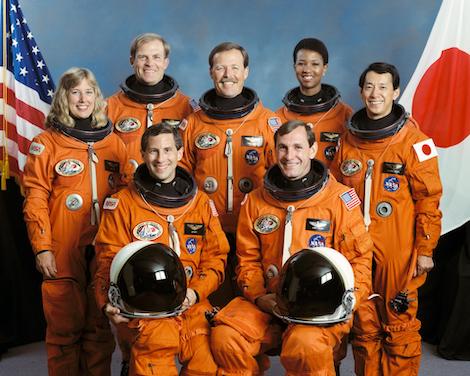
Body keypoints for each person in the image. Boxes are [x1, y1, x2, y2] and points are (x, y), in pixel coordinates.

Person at [209, 120, 373, 375]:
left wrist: (343, 304)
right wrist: (259, 297)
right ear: (274, 151)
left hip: (318, 307)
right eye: (283, 148)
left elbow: (360, 262)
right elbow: (247, 261)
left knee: (304, 345)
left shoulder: (339, 200)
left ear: (312, 149)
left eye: (298, 147)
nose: (289, 156)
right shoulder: (255, 201)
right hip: (268, 302)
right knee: (225, 337)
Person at [330, 62, 443, 375]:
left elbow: (429, 199)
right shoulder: (347, 140)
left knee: (398, 324)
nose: (374, 93)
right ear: (361, 91)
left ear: (395, 92)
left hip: (397, 247)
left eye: (382, 87)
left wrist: (425, 249)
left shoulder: (414, 142)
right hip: (356, 249)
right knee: (364, 325)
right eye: (368, 86)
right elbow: (335, 195)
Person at [94, 123, 230, 375]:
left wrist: (195, 293)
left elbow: (216, 258)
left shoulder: (199, 203)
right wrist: (106, 303)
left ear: (179, 153)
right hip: (146, 306)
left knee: (207, 363)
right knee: (155, 353)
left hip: (191, 301)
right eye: (153, 151)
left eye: (168, 150)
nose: (161, 159)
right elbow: (107, 259)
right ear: (143, 155)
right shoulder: (123, 203)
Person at [23, 67, 131, 375]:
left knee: (99, 329)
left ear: (97, 97)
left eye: (88, 92)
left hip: (104, 248)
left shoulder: (114, 143)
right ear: (63, 98)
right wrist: (42, 247)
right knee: (64, 329)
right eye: (75, 92)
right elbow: (35, 199)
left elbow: (128, 197)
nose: (82, 99)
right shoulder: (47, 143)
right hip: (63, 247)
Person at [179, 42, 280, 306]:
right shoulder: (193, 124)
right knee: (210, 305)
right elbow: (181, 180)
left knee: (254, 304)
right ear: (211, 72)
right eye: (220, 67)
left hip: (256, 231)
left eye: (235, 67)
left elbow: (282, 179)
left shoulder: (267, 123)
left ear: (246, 72)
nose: (228, 74)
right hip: (207, 231)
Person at [107, 33, 195, 168]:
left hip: (172, 187)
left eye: (156, 57)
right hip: (125, 186)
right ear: (132, 61)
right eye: (143, 57)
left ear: (166, 62)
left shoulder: (187, 108)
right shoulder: (110, 107)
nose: (149, 63)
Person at [276, 38, 352, 166]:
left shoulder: (345, 114)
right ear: (294, 66)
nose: (307, 69)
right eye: (301, 63)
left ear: (325, 68)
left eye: (315, 64)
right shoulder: (278, 117)